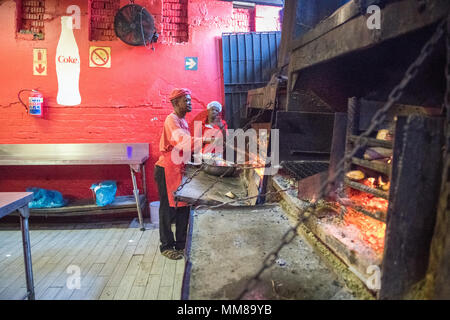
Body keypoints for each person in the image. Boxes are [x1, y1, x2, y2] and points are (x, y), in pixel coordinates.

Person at [154, 88, 193, 260]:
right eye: (187, 100)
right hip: (166, 170)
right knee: (168, 209)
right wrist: (206, 140)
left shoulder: (183, 121)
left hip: (180, 170)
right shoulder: (171, 120)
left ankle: (181, 245)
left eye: (190, 100)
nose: (190, 103)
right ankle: (166, 246)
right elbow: (182, 142)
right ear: (176, 103)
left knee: (183, 208)